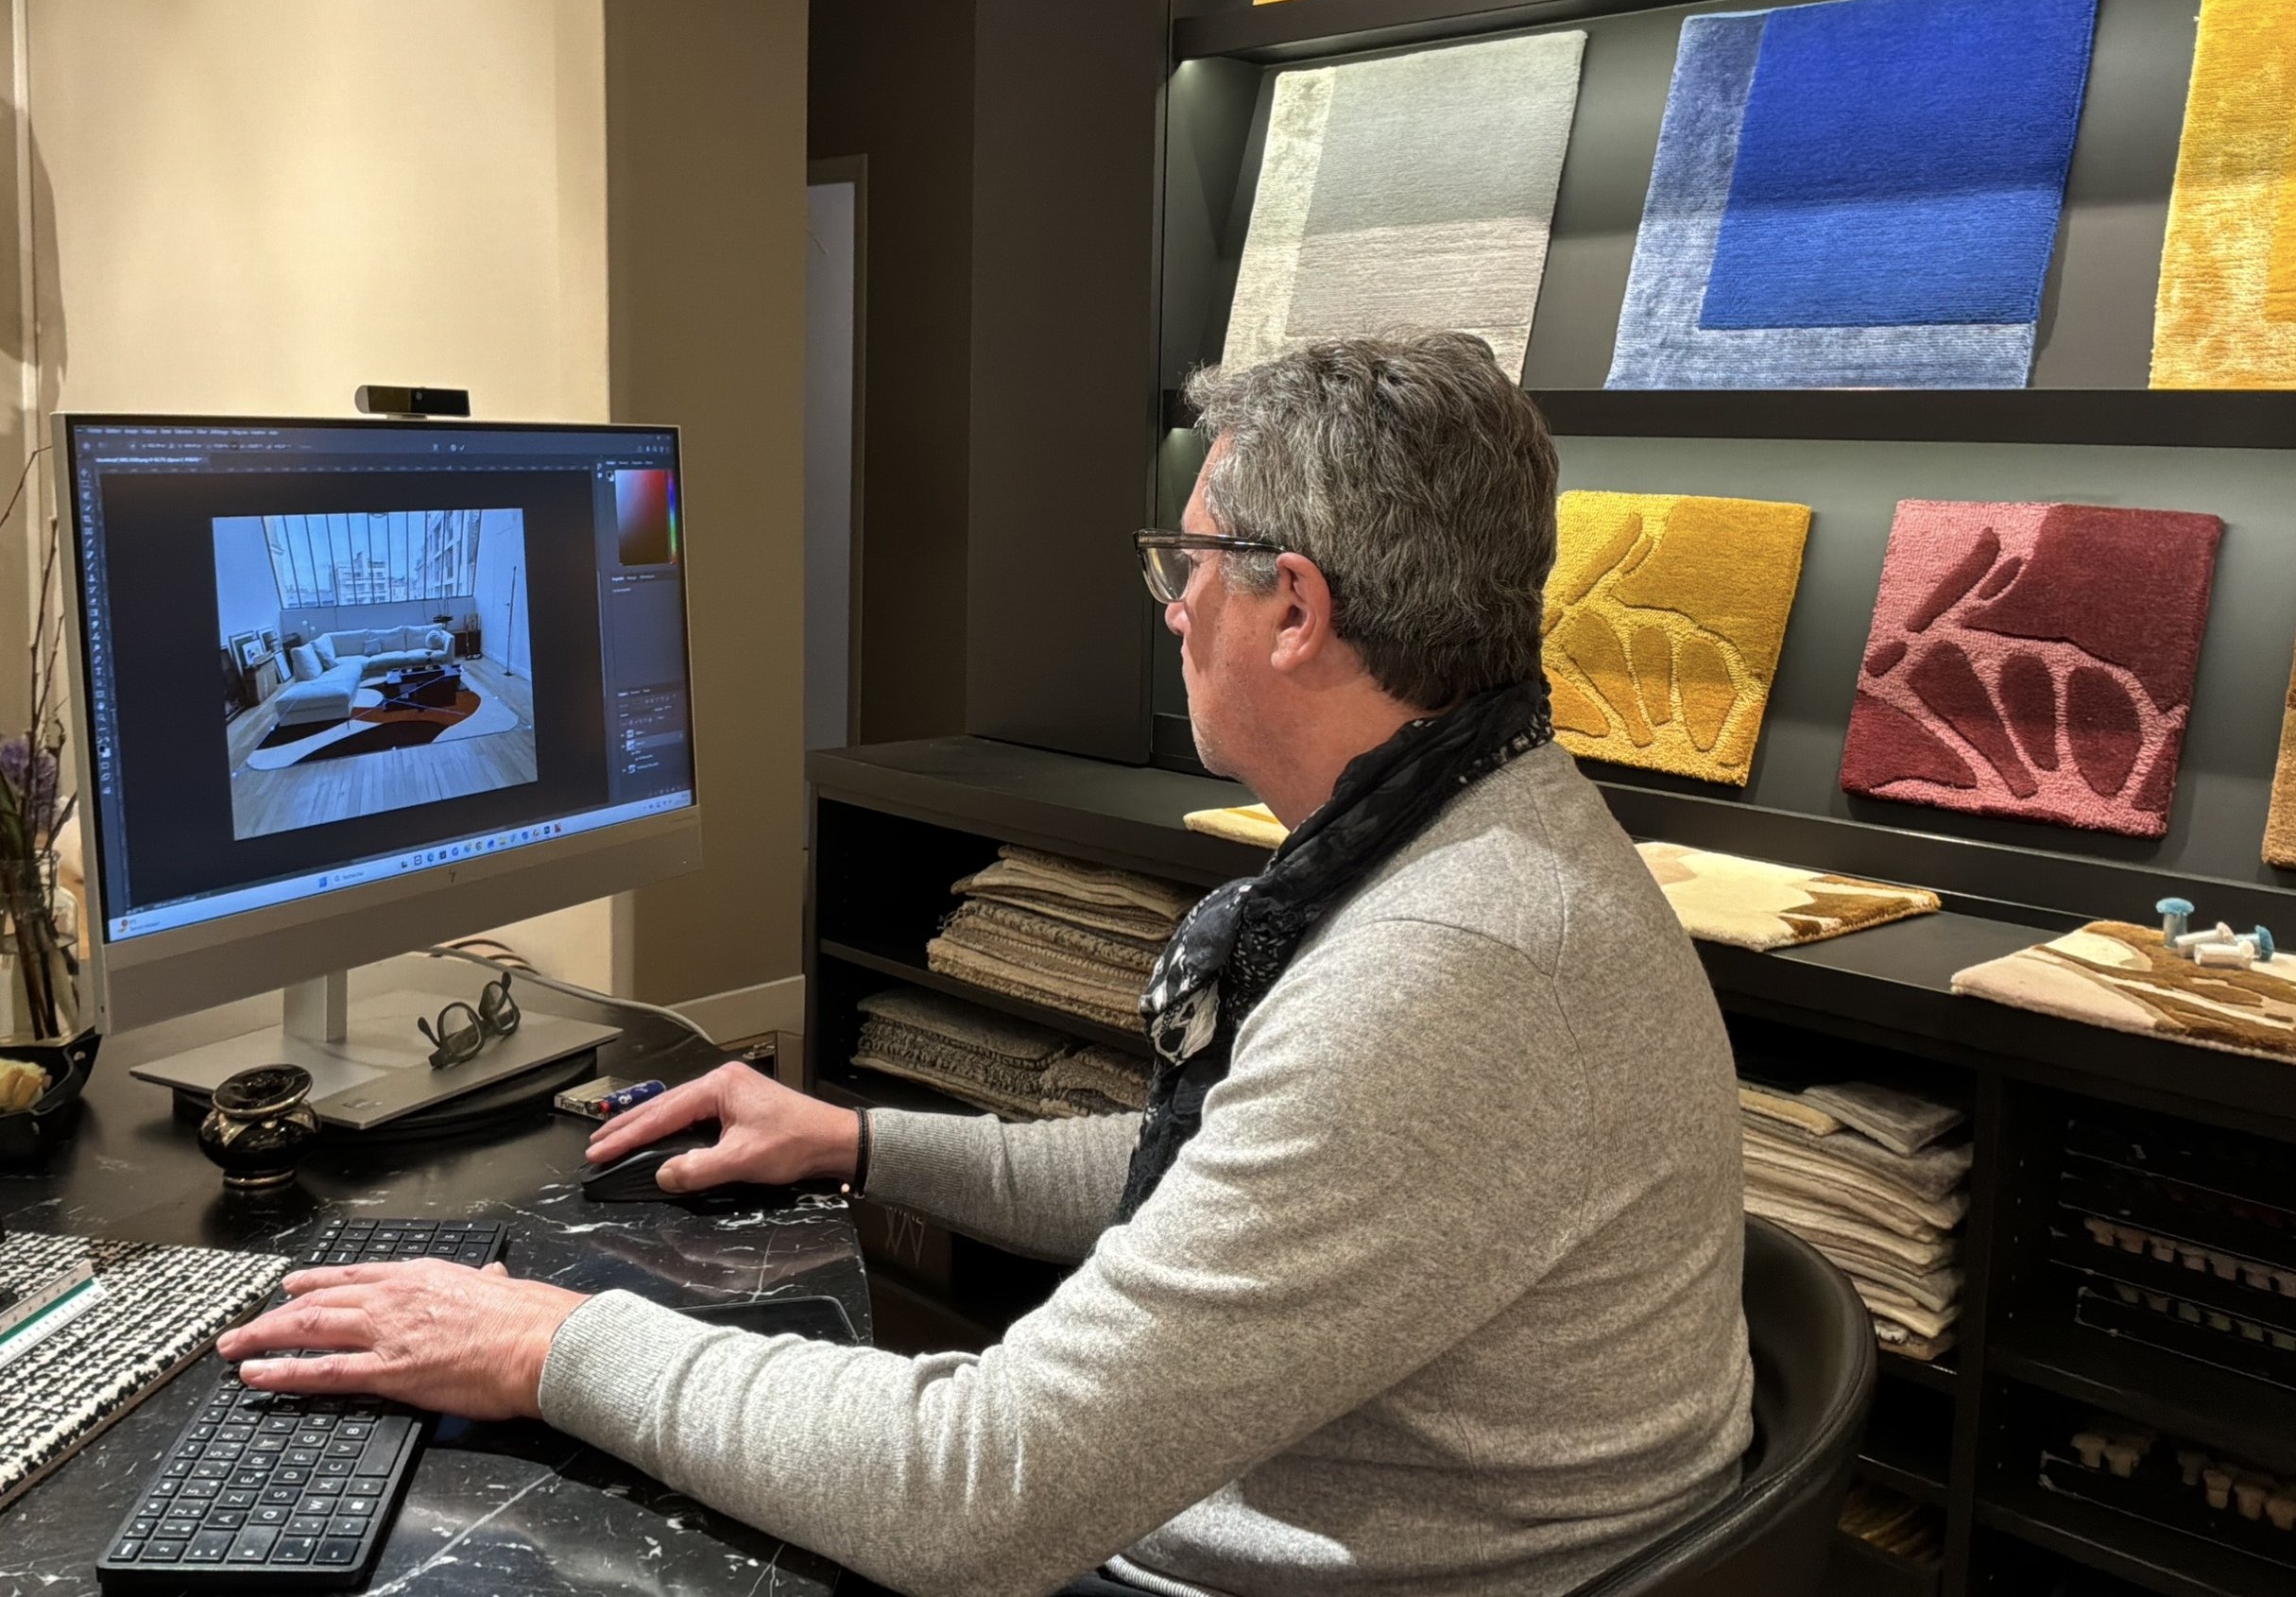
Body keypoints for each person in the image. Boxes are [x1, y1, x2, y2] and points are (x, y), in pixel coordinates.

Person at [220, 334, 1753, 1597]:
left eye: (1191, 560)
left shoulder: (1446, 975)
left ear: (1297, 608)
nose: (1170, 604)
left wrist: (550, 1341)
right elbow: (1224, 1178)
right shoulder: (1492, 830)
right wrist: (868, 1140)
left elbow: (979, 1495)